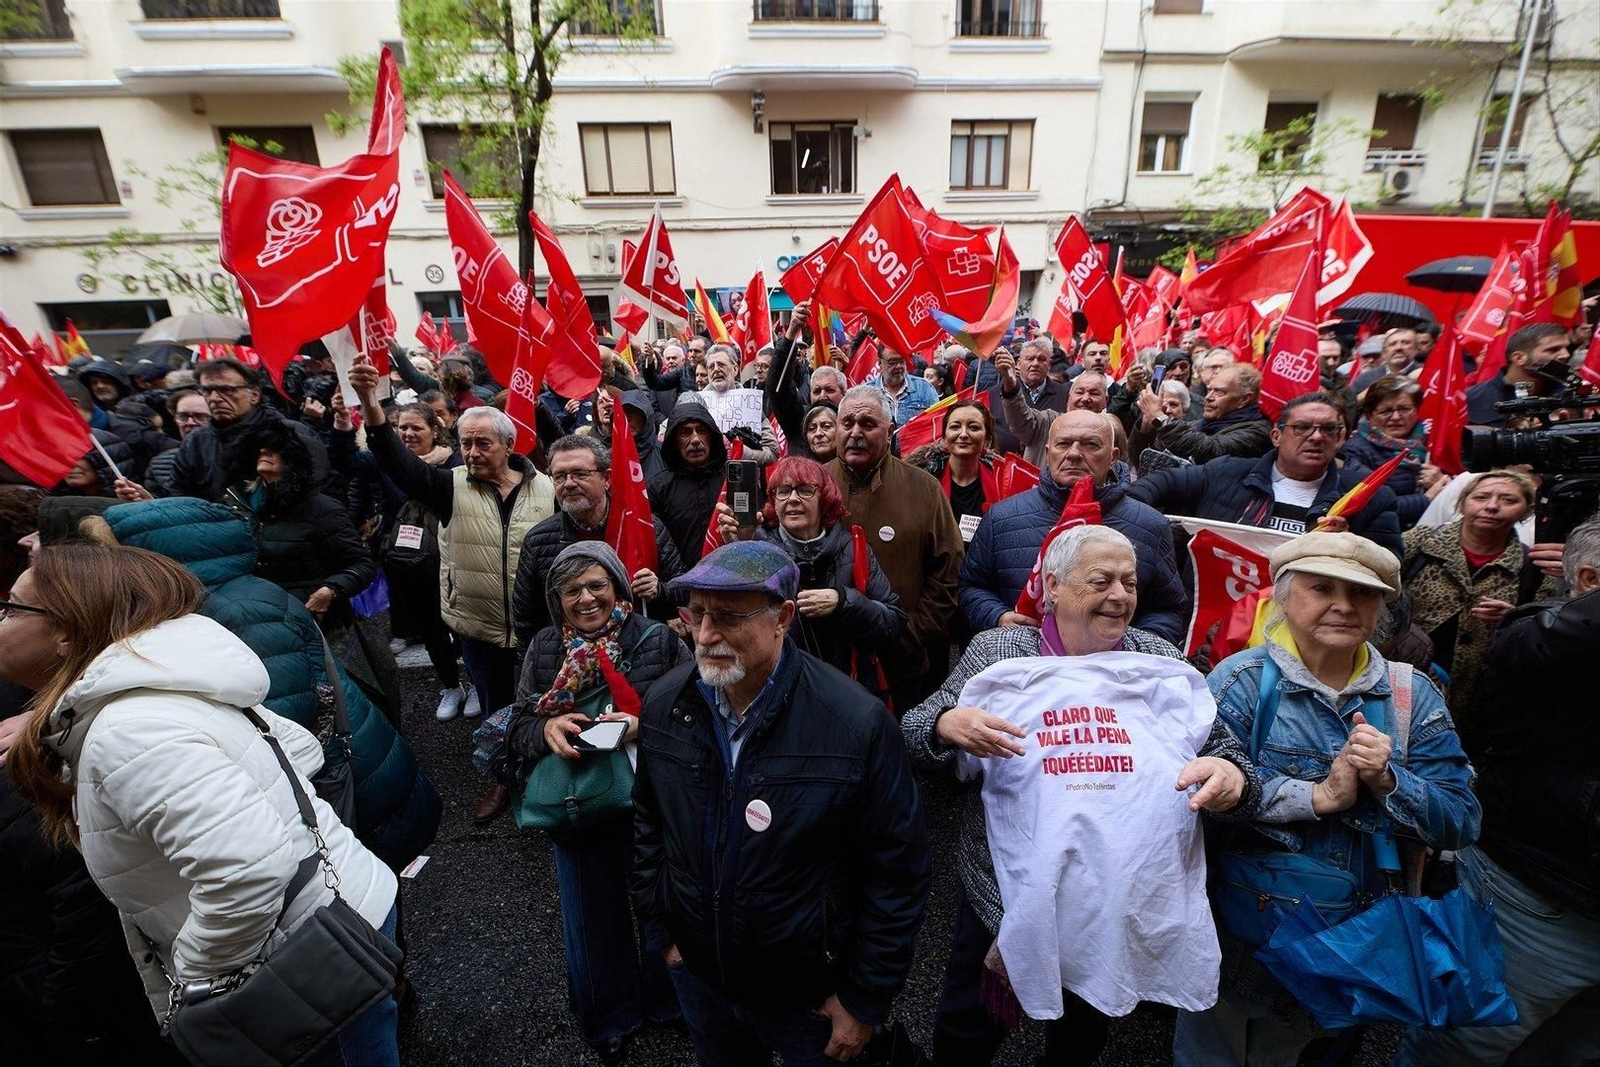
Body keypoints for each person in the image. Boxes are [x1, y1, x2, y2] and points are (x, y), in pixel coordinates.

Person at [2, 544, 402, 1066]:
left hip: (303, 956)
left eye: (12, 607)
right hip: (334, 913)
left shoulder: (128, 729)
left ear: (68, 632)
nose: (2, 618)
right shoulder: (159, 681)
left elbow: (247, 871)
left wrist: (199, 978)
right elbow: (297, 749)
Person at [906, 525, 1261, 1065]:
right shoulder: (1001, 652)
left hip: (1112, 895)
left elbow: (1229, 758)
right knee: (969, 1027)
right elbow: (913, 731)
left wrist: (1230, 777)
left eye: (1130, 583)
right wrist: (947, 723)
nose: (1120, 596)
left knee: (1081, 1031)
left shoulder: (1158, 661)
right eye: (1101, 581)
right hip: (1005, 890)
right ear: (1052, 586)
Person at [1173, 532, 1479, 1065]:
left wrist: (1389, 781)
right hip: (1245, 937)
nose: (1343, 605)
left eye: (1362, 593)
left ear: (1381, 607)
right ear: (1283, 597)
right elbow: (1196, 802)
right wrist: (1316, 796)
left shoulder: (1411, 694)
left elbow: (1460, 823)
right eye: (1322, 588)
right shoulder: (1240, 683)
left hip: (1359, 943)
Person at [631, 541, 932, 1066]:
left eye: (726, 617)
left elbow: (897, 872)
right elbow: (649, 825)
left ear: (783, 618)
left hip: (809, 1000)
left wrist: (863, 998)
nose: (705, 636)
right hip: (700, 979)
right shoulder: (666, 702)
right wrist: (663, 935)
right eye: (696, 614)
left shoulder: (853, 724)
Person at [101, 497, 441, 871]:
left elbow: (286, 725)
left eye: (111, 562)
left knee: (362, 906)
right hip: (351, 782)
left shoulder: (240, 613)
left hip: (353, 789)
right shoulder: (211, 604)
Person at [1396, 516, 1600, 1066]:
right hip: (1544, 899)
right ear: (1587, 582)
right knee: (1463, 1044)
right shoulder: (1542, 640)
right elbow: (1524, 649)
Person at [505, 542, 689, 1062]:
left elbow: (695, 710)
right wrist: (546, 728)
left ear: (618, 587)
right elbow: (515, 724)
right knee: (590, 914)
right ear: (556, 599)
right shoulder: (544, 648)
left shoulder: (654, 639)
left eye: (597, 586)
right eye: (571, 591)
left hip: (651, 801)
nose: (586, 599)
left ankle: (669, 1002)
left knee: (663, 902)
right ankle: (609, 1014)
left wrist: (640, 724)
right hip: (577, 803)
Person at [350, 356, 555, 725]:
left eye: (482, 444)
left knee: (541, 709)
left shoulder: (547, 488)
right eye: (466, 443)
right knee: (497, 715)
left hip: (535, 630)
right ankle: (503, 775)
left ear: (509, 445)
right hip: (478, 630)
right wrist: (369, 402)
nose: (472, 453)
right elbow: (397, 463)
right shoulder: (448, 486)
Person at [960, 409, 1190, 645]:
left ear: (1113, 457)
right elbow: (972, 587)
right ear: (1048, 454)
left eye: (1090, 445)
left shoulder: (1150, 525)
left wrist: (1132, 649)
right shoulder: (1003, 517)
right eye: (1063, 444)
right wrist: (997, 617)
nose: (1074, 454)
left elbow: (1168, 609)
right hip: (1020, 666)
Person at [712, 456, 905, 696]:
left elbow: (894, 623)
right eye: (783, 491)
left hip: (845, 692)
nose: (793, 498)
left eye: (804, 490)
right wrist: (736, 551)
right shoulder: (754, 546)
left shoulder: (854, 549)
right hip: (776, 694)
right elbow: (726, 621)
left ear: (824, 499)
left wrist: (843, 601)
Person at [1128, 391, 1404, 557]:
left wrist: (1348, 548)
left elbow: (1389, 570)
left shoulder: (1370, 500)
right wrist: (1138, 524)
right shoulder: (1226, 471)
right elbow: (1156, 485)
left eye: (1328, 429)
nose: (1316, 437)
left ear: (1340, 438)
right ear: (1276, 436)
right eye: (1302, 428)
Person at [828, 386, 965, 708]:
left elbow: (948, 571)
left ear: (889, 432)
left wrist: (911, 634)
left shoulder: (923, 489)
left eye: (867, 424)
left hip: (902, 662)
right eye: (847, 423)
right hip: (829, 662)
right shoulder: (814, 486)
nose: (855, 433)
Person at [1399, 470, 1536, 747]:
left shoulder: (1530, 565)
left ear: (1526, 511)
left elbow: (1543, 630)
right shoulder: (1420, 542)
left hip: (1481, 694)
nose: (1492, 505)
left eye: (1508, 499)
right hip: (1408, 674)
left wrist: (1513, 619)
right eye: (1481, 497)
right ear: (1462, 504)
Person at [512, 434, 683, 657]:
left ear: (607, 478)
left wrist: (660, 590)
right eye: (560, 476)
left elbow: (683, 589)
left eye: (580, 474)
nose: (569, 483)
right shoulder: (538, 541)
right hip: (570, 665)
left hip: (640, 656)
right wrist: (533, 669)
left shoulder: (644, 526)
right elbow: (527, 619)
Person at [115, 358, 330, 505]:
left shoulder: (290, 435)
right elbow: (179, 496)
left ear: (254, 395)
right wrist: (151, 502)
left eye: (226, 389)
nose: (215, 398)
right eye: (207, 390)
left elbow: (317, 495)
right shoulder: (196, 442)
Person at [234, 417, 377, 627]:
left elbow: (362, 564)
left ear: (294, 460)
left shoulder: (321, 508)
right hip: (258, 618)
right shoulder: (238, 504)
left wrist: (331, 589)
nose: (265, 451)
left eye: (276, 448)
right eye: (261, 447)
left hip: (312, 620)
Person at [374, 401, 467, 720]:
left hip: (451, 553)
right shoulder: (385, 463)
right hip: (407, 561)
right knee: (431, 628)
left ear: (435, 430)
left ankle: (479, 686)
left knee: (464, 624)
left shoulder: (455, 464)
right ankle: (451, 686)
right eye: (403, 427)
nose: (409, 433)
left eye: (417, 427)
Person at [1340, 375, 1447, 529]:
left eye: (1404, 409)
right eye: (1386, 411)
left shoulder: (1433, 441)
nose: (1396, 417)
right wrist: (1428, 498)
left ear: (1417, 410)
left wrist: (1443, 481)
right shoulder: (1355, 450)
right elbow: (1369, 506)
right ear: (1369, 415)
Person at [1130, 363, 1272, 468]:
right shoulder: (1196, 425)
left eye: (1219, 392)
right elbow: (1145, 460)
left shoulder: (1258, 431)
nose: (1208, 397)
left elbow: (1210, 450)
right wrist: (1145, 429)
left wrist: (1160, 418)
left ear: (1244, 399)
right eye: (1209, 390)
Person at [905, 398, 1003, 542]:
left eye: (974, 427)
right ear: (944, 436)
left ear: (987, 439)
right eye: (955, 427)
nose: (963, 434)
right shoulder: (920, 480)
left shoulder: (1002, 481)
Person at [648, 399, 728, 567]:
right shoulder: (658, 488)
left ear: (712, 436)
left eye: (701, 430)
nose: (695, 440)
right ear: (674, 441)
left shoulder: (732, 480)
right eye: (686, 432)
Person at [1466, 322, 1572, 428]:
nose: (1565, 355)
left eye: (1566, 348)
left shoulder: (1570, 397)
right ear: (1519, 358)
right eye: (1553, 350)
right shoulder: (1472, 399)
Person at [988, 339, 1068, 455]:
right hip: (1004, 464)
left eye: (1041, 359)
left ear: (1049, 365)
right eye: (1030, 359)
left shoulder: (1064, 394)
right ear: (1019, 364)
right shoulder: (995, 392)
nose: (1035, 364)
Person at [875, 345, 940, 426]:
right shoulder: (867, 392)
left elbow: (937, 424)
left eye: (902, 361)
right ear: (880, 363)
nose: (898, 366)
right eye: (892, 362)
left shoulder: (924, 388)